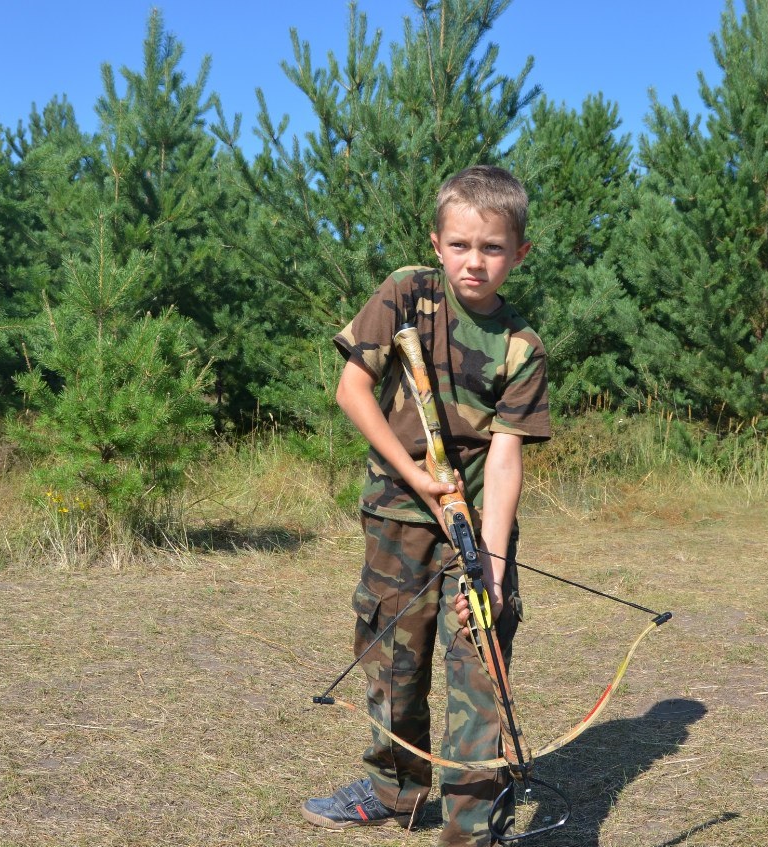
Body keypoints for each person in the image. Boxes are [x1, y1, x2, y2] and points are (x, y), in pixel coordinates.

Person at [301, 165, 551, 847]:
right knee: (393, 664)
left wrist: (492, 562)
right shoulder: (407, 292)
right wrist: (415, 476)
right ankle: (395, 792)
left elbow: (505, 457)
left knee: (480, 672)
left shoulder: (522, 347)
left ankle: (471, 831)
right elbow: (352, 390)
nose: (475, 261)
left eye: (493, 248)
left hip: (476, 529)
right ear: (437, 243)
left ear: (519, 253)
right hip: (397, 517)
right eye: (460, 244)